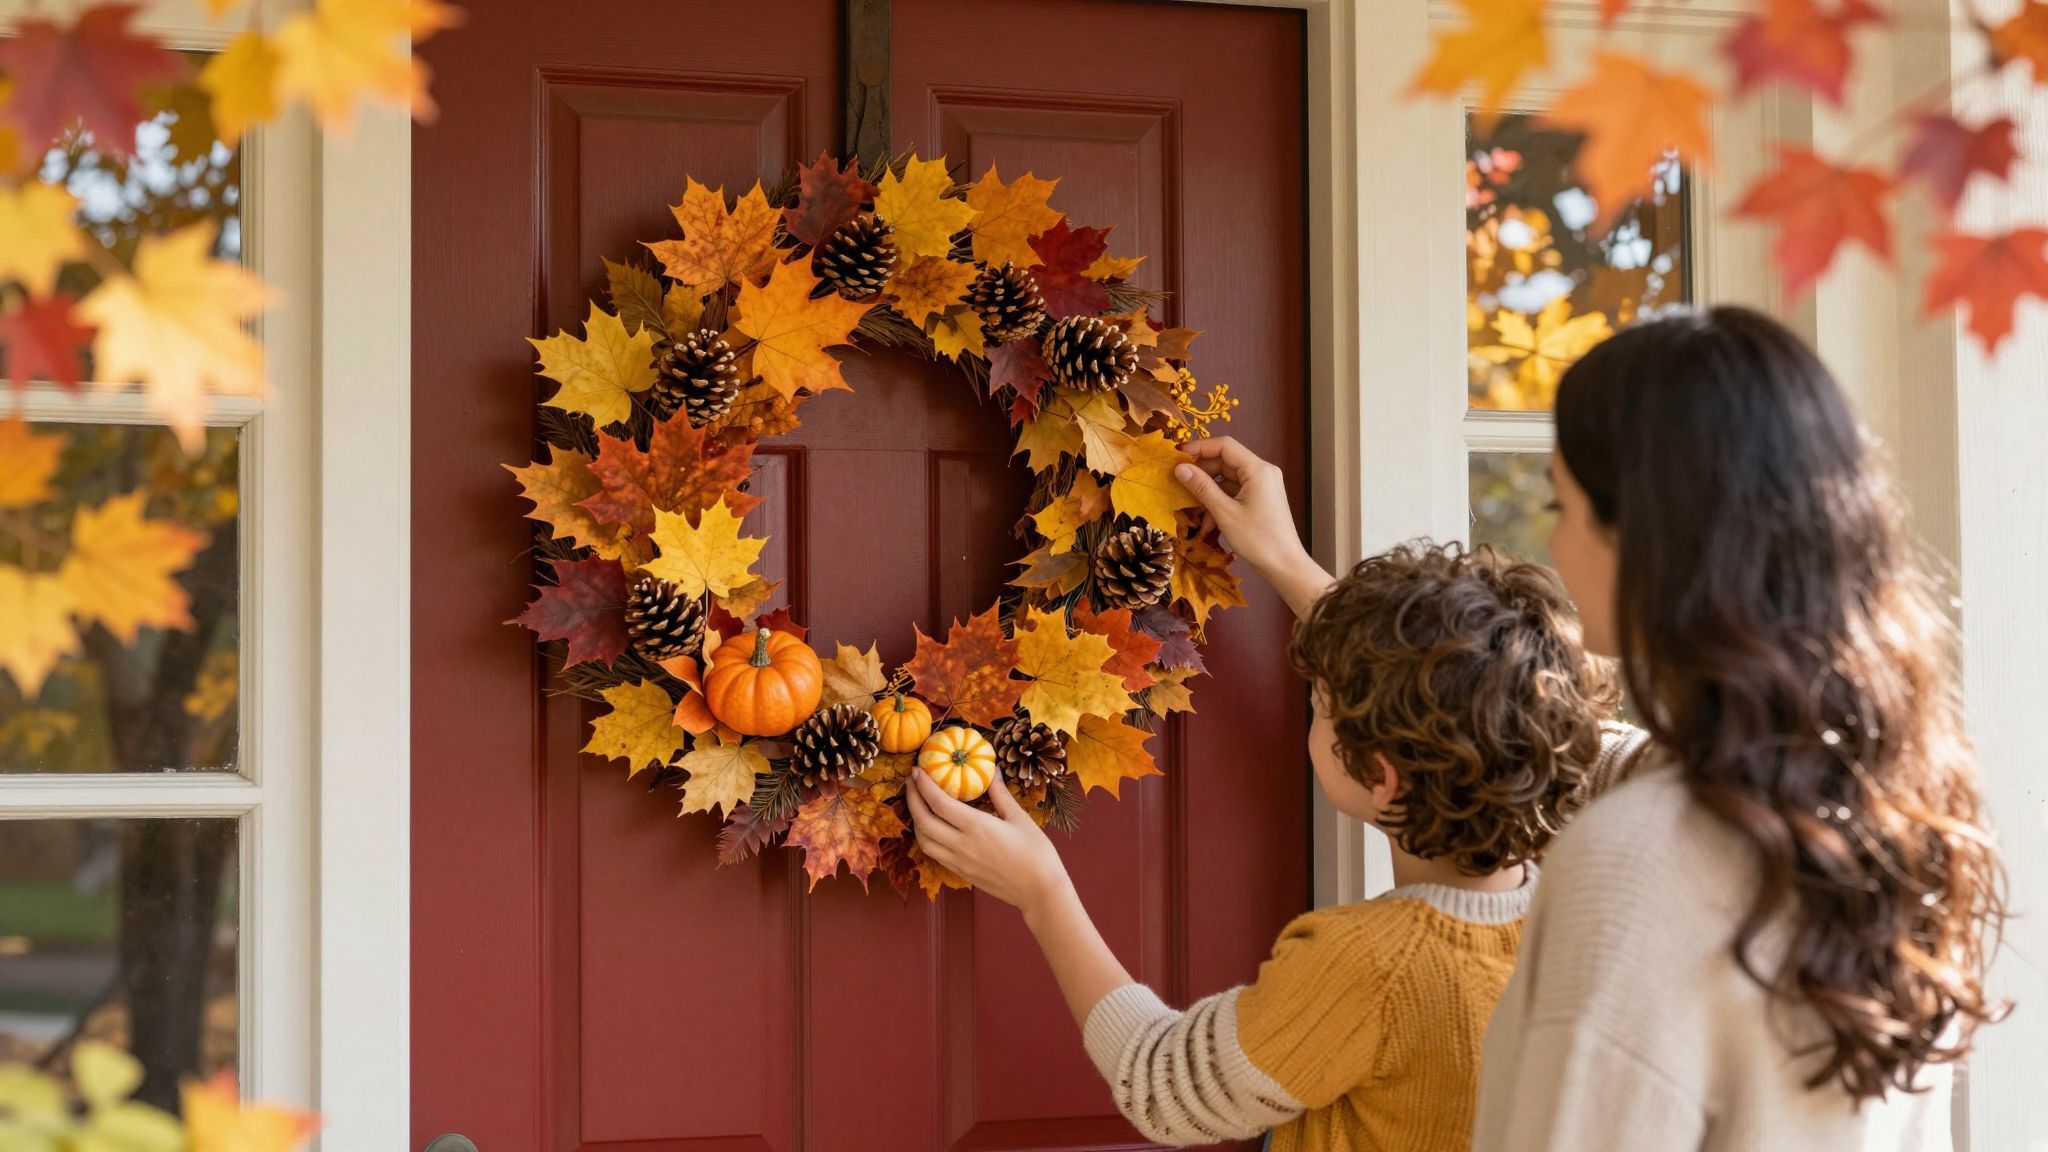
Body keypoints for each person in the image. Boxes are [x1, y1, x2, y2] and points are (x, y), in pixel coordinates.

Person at [906, 451, 1635, 1151]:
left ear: (1382, 776)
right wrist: (1289, 564)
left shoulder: (1371, 966)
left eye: (1322, 702)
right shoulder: (1571, 918)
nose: (1311, 706)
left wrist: (1041, 889)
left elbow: (1163, 1084)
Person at [1470, 306, 2008, 1151]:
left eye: (1560, 502)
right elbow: (1559, 743)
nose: (1549, 537)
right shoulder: (1893, 822)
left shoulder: (1642, 860)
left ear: (1648, 533)